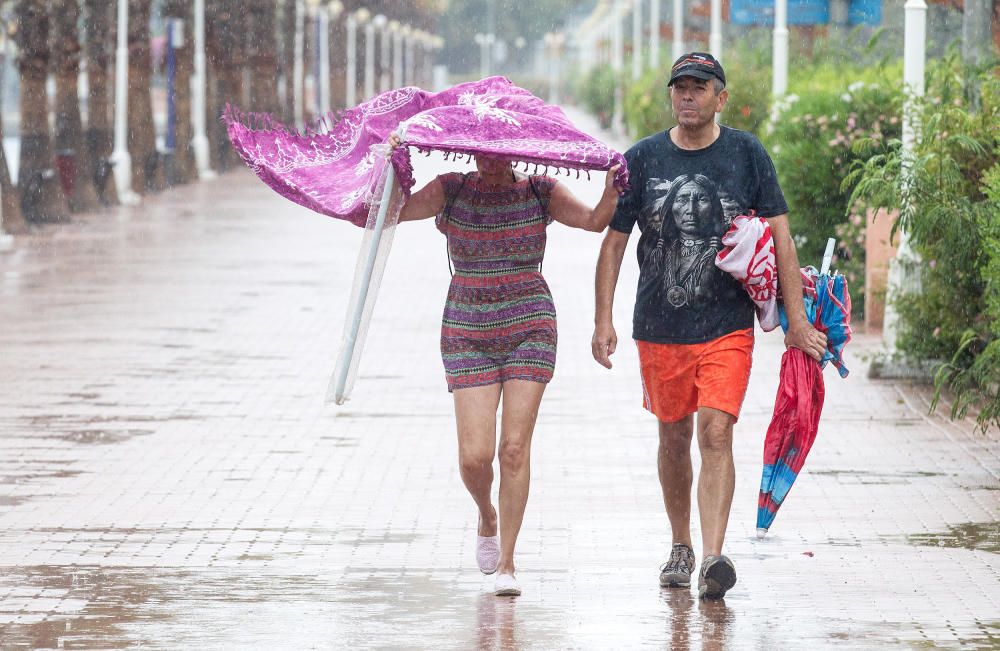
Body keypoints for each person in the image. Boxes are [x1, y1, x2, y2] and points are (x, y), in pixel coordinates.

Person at [590, 52, 827, 600]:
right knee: (673, 437)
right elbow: (615, 243)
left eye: (700, 87)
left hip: (726, 324)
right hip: (659, 325)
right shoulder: (643, 159)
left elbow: (782, 237)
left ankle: (715, 558)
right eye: (680, 88)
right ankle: (681, 545)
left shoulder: (747, 154)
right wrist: (602, 317)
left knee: (716, 431)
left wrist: (795, 322)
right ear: (670, 95)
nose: (688, 96)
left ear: (721, 96)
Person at [391, 134, 622, 597]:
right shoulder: (451, 189)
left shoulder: (541, 191)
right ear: (468, 149)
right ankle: (487, 513)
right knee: (474, 457)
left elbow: (596, 221)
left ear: (519, 150)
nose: (492, 162)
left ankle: (509, 564)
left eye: (501, 153)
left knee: (514, 448)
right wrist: (393, 166)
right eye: (483, 152)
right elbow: (392, 213)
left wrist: (614, 184)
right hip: (467, 330)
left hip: (529, 326)